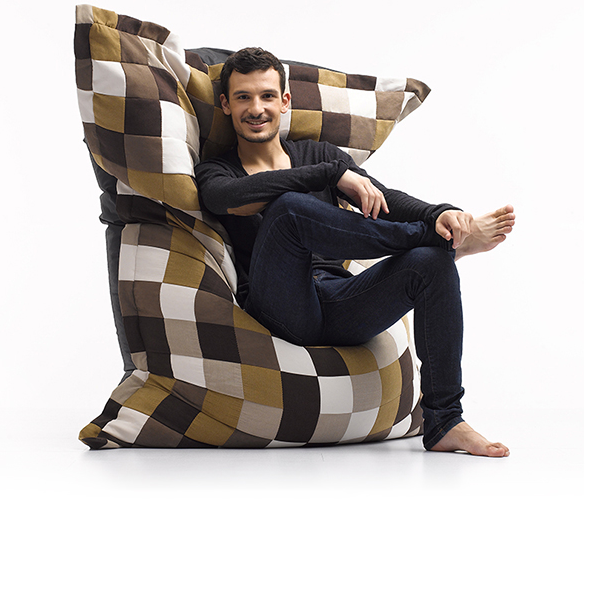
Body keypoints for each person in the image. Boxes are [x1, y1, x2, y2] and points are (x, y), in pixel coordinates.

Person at [194, 47, 516, 457]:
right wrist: (332, 175)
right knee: (289, 209)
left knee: (432, 264)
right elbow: (223, 198)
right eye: (243, 97)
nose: (256, 108)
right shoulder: (217, 170)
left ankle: (445, 421)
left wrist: (439, 213)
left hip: (338, 300)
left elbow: (384, 199)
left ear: (285, 101)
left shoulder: (318, 153)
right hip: (279, 310)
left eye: (267, 96)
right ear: (226, 104)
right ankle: (439, 240)